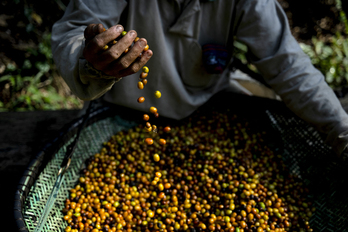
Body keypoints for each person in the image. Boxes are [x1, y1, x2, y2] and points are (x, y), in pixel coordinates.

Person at [51, 0, 348, 157]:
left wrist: (341, 130)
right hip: (121, 116)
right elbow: (75, 30)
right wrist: (91, 62)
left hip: (208, 109)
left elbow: (289, 68)